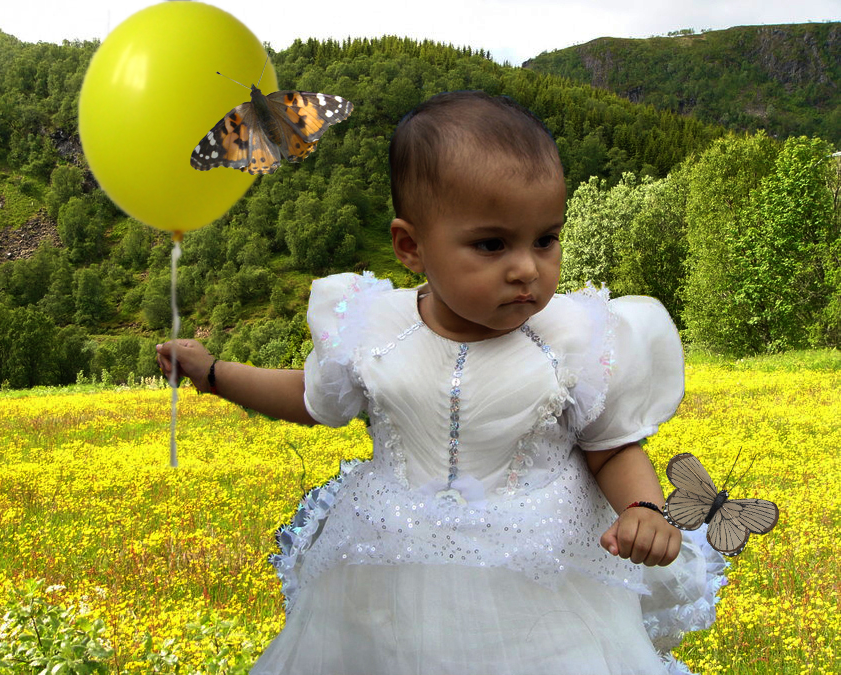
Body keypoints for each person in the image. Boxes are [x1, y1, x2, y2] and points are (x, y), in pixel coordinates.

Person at [156, 91, 726, 675]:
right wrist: (213, 373)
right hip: (389, 566)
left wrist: (644, 507)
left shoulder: (574, 339)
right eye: (491, 244)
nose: (527, 268)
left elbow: (613, 449)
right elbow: (308, 398)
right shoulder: (372, 326)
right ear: (411, 246)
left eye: (545, 239)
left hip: (547, 580)